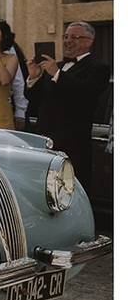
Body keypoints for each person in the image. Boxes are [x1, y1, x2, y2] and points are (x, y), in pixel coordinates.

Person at [25, 21, 110, 187]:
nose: (68, 41)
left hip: (73, 143)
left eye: (74, 37)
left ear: (89, 41)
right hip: (45, 140)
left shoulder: (99, 68)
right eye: (65, 36)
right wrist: (34, 77)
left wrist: (57, 73)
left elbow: (85, 93)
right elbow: (34, 99)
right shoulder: (58, 66)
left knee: (70, 189)